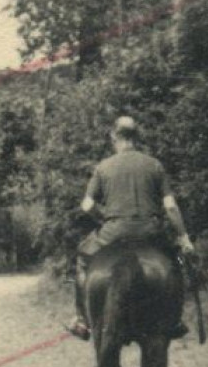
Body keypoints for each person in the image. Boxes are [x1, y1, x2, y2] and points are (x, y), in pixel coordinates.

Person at [66, 116, 194, 341]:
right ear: (137, 137)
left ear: (114, 137)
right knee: (175, 263)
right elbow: (170, 207)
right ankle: (175, 320)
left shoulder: (103, 167)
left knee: (82, 260)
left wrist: (105, 217)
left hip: (112, 233)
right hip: (150, 232)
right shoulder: (154, 164)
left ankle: (83, 320)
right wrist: (183, 237)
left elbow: (86, 206)